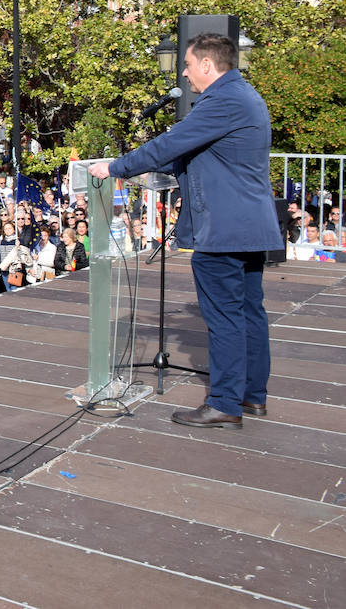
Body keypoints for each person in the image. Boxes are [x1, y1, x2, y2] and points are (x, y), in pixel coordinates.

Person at [90, 33, 282, 429]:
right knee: (248, 313)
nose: (184, 72)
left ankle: (225, 403)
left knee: (226, 317)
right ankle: (251, 396)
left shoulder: (223, 100)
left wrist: (116, 167)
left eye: (189, 64)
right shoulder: (245, 95)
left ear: (208, 66)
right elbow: (206, 156)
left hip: (224, 229)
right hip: (247, 225)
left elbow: (170, 144)